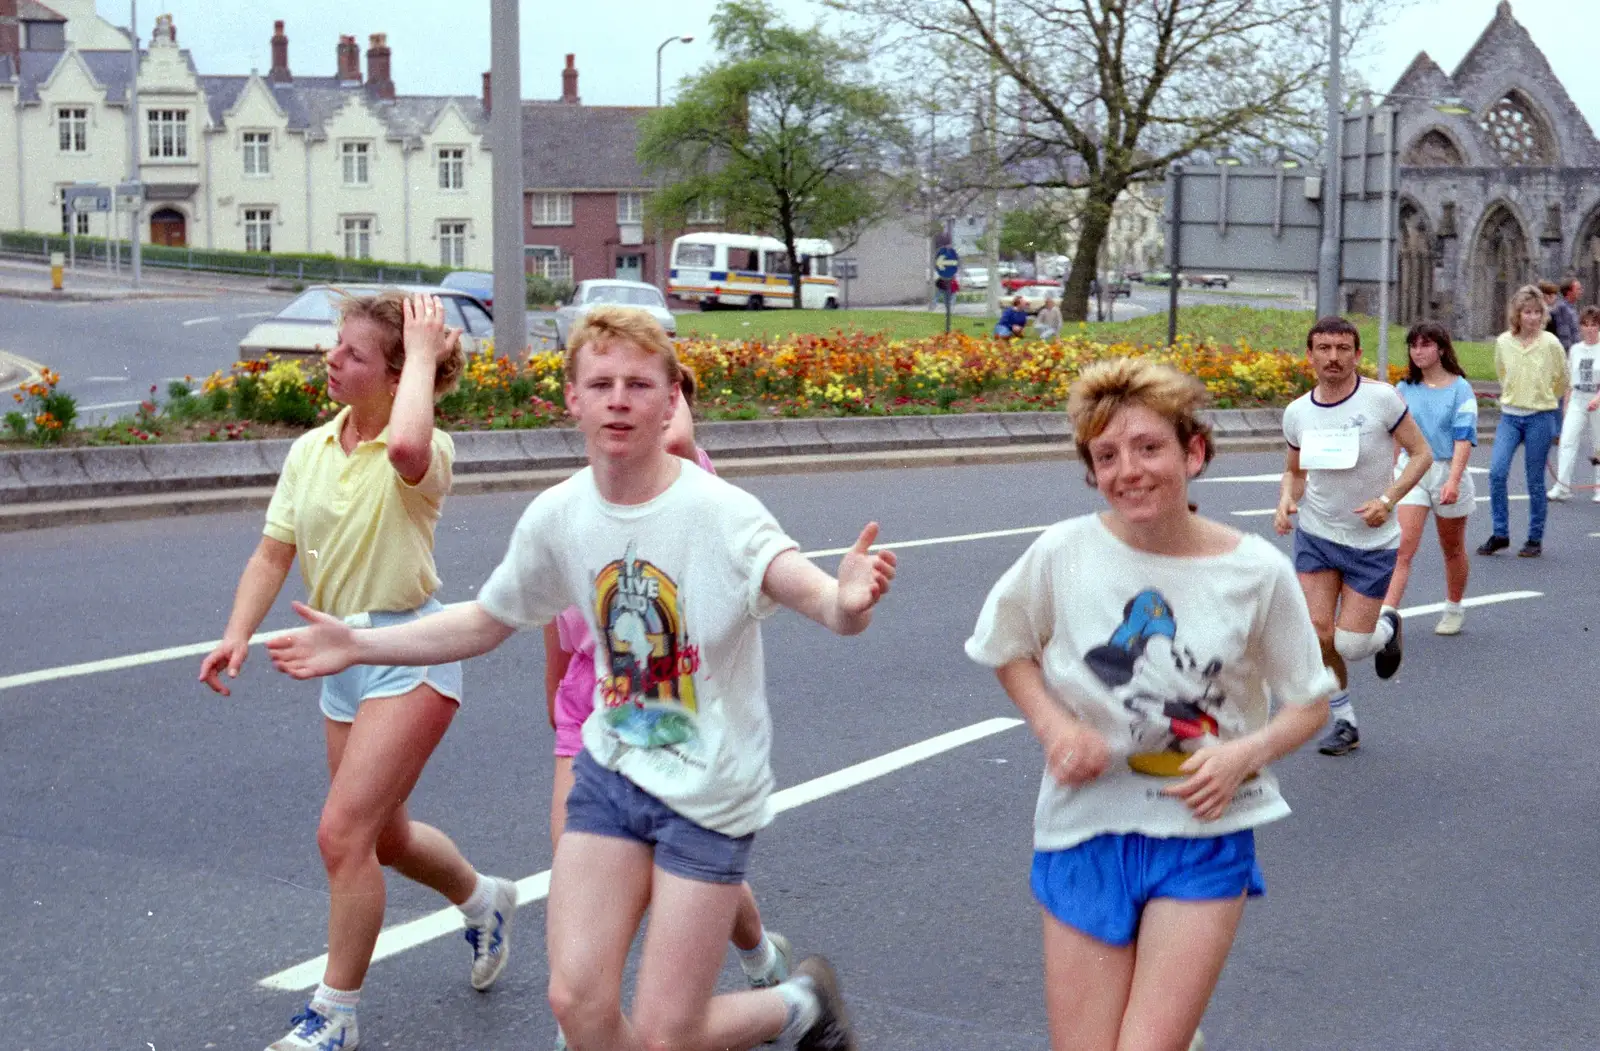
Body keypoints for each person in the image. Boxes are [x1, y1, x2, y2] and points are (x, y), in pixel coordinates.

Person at [267, 305, 897, 1051]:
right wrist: (358, 645)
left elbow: (816, 595)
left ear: (671, 400)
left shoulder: (720, 512)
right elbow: (486, 619)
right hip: (612, 774)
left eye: (639, 383)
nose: (620, 399)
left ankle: (798, 1006)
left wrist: (848, 600)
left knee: (666, 1032)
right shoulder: (560, 515)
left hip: (708, 792)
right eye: (601, 383)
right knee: (577, 1002)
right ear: (572, 399)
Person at [966, 358, 1334, 1051]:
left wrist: (1241, 754)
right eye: (1106, 455)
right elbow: (1004, 645)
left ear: (1193, 452)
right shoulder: (1062, 553)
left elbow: (1309, 703)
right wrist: (1054, 726)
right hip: (1085, 828)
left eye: (1148, 447)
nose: (1127, 470)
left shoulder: (1256, 572)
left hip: (1201, 832)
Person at [199, 292, 516, 1051]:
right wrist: (236, 633)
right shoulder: (310, 450)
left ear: (399, 373)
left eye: (353, 353)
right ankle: (484, 898)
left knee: (341, 834)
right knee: (384, 837)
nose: (330, 361)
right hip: (341, 655)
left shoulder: (427, 449)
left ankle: (334, 1012)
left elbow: (405, 448)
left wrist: (426, 351)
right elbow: (273, 551)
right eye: (334, 347)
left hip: (412, 654)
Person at [540, 365, 791, 1050]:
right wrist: (562, 720)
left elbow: (676, 444)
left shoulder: (698, 494)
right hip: (593, 719)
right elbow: (553, 628)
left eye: (652, 390)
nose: (622, 403)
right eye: (599, 386)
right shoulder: (574, 509)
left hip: (682, 722)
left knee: (684, 867)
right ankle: (588, 1017)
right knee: (583, 885)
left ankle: (763, 962)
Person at [1274, 316, 1433, 758]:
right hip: (1318, 534)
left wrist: (1389, 498)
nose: (1333, 358)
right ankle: (1344, 720)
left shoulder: (1381, 400)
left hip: (1371, 542)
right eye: (1323, 348)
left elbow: (1422, 454)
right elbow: (1295, 472)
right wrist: (1285, 500)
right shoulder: (1297, 413)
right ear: (1309, 356)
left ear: (1357, 355)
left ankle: (1387, 626)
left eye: (1343, 348)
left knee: (1351, 645)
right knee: (1318, 633)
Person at [1381, 321, 1478, 636]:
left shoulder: (1460, 389)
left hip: (1447, 469)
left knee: (1452, 548)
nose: (1418, 351)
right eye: (1414, 345)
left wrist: (1453, 480)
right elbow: (1396, 435)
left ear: (1440, 348)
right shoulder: (1404, 388)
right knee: (1402, 548)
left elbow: (1463, 438)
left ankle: (1454, 606)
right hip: (1413, 470)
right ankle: (1386, 617)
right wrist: (1389, 474)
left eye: (1425, 344)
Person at [1478, 284, 1568, 558]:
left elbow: (1561, 379)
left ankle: (1534, 537)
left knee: (1534, 480)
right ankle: (1500, 532)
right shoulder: (1504, 342)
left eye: (1537, 312)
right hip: (1511, 416)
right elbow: (1502, 373)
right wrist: (1514, 395)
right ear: (1517, 314)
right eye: (1526, 312)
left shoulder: (1550, 344)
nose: (1532, 317)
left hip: (1539, 416)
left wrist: (1547, 404)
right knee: (1497, 472)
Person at [1547, 304, 1600, 502]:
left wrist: (1597, 399)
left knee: (1598, 445)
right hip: (1578, 398)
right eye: (1585, 324)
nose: (1590, 329)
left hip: (1596, 398)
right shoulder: (1576, 350)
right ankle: (1562, 486)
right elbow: (1570, 380)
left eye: (1594, 325)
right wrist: (1566, 406)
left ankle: (1599, 486)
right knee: (1567, 441)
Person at [1551, 277, 1582, 351]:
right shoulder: (1562, 309)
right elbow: (1564, 336)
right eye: (1578, 289)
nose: (1580, 292)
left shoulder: (1571, 308)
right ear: (1569, 292)